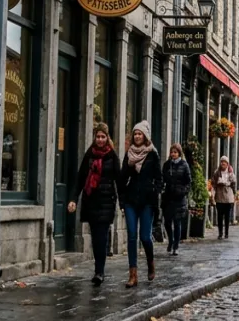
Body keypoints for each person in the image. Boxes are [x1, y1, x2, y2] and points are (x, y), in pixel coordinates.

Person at [68, 123, 120, 286]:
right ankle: (98, 269)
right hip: (91, 201)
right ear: (95, 137)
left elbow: (119, 180)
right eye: (98, 136)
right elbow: (80, 178)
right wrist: (73, 199)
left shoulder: (112, 156)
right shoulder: (89, 154)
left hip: (106, 202)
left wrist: (124, 203)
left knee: (101, 237)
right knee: (95, 238)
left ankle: (99, 272)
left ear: (107, 138)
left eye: (103, 137)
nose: (100, 140)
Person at [118, 121, 162, 286]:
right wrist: (122, 199)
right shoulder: (129, 154)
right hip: (131, 200)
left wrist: (155, 191)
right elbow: (122, 179)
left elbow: (159, 178)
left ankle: (150, 262)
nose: (137, 136)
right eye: (135, 134)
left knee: (145, 236)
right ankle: (133, 275)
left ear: (145, 136)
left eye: (139, 134)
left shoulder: (152, 154)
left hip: (147, 201)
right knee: (131, 235)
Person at [161, 144, 192, 253]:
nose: (173, 154)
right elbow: (162, 178)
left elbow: (188, 181)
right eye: (172, 152)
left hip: (179, 198)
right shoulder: (167, 165)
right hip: (168, 197)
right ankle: (171, 240)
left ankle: (176, 246)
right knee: (167, 222)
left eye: (175, 152)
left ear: (179, 153)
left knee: (177, 222)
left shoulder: (184, 165)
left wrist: (183, 191)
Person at [212, 157, 236, 239]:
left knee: (227, 216)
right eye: (222, 162)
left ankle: (226, 233)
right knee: (219, 216)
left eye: (224, 162)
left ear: (227, 163)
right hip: (219, 196)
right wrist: (213, 194)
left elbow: (233, 183)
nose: (223, 163)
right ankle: (220, 233)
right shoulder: (217, 172)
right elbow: (214, 184)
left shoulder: (230, 172)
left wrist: (234, 194)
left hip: (228, 197)